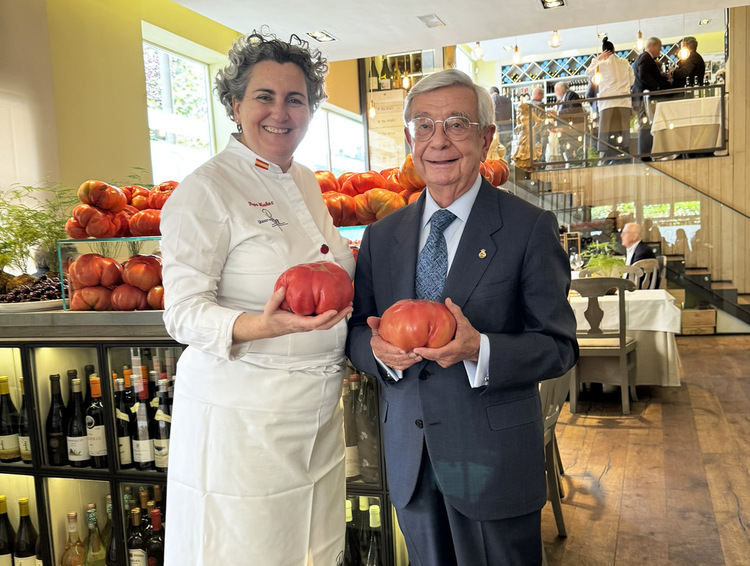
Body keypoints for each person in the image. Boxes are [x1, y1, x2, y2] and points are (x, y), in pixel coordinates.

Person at [345, 68, 578, 566]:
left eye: (457, 123)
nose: (439, 140)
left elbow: (558, 346)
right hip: (411, 457)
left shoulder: (528, 227)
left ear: (486, 137)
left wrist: (481, 349)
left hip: (492, 460)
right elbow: (355, 331)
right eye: (423, 126)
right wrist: (378, 353)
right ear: (410, 139)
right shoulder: (382, 238)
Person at [159, 31, 355, 566]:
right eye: (264, 97)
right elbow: (181, 313)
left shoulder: (307, 183)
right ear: (234, 104)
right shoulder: (205, 190)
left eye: (296, 99)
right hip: (243, 418)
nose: (280, 112)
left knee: (315, 548)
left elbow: (336, 264)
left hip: (316, 414)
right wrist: (264, 326)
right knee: (248, 549)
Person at [586, 37, 634, 162]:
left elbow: (588, 73)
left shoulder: (600, 64)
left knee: (606, 132)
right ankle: (625, 154)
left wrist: (598, 59)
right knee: (624, 130)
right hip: (624, 101)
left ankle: (606, 157)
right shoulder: (625, 63)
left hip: (607, 103)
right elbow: (632, 81)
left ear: (603, 52)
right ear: (614, 50)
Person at [632, 37, 670, 156]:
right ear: (652, 46)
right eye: (659, 47)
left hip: (640, 98)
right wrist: (657, 87)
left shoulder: (643, 58)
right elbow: (644, 75)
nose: (660, 51)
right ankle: (645, 156)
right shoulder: (645, 58)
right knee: (645, 127)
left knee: (646, 126)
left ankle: (646, 154)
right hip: (643, 98)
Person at [552, 82, 584, 162]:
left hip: (573, 128)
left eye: (556, 90)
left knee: (575, 150)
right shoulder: (561, 100)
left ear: (562, 89)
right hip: (565, 130)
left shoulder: (571, 95)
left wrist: (558, 113)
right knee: (567, 151)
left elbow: (575, 109)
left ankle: (576, 163)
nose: (555, 93)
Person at [489, 86, 513, 155]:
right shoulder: (508, 100)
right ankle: (507, 164)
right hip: (508, 129)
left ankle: (500, 165)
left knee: (497, 151)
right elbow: (513, 115)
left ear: (490, 93)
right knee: (507, 150)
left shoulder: (490, 101)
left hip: (496, 130)